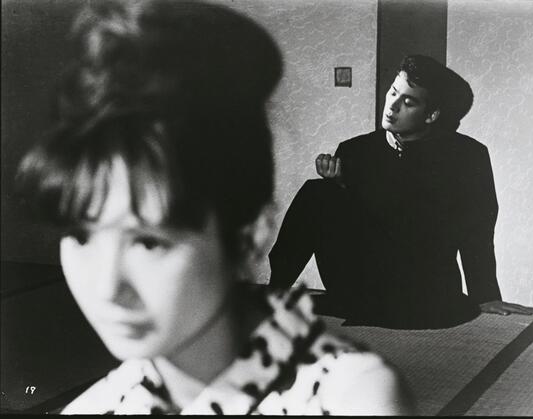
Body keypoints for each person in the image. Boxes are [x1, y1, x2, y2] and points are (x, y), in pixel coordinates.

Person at [15, 0, 414, 415]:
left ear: (252, 234)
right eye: (81, 236)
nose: (106, 287)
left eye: (149, 242)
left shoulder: (353, 399)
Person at [269, 55, 533, 329]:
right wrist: (341, 187)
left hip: (424, 289)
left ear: (432, 115)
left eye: (408, 102)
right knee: (317, 191)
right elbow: (359, 231)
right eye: (393, 92)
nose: (392, 106)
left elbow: (476, 230)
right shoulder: (355, 150)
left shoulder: (468, 156)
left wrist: (485, 296)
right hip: (363, 281)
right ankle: (275, 291)